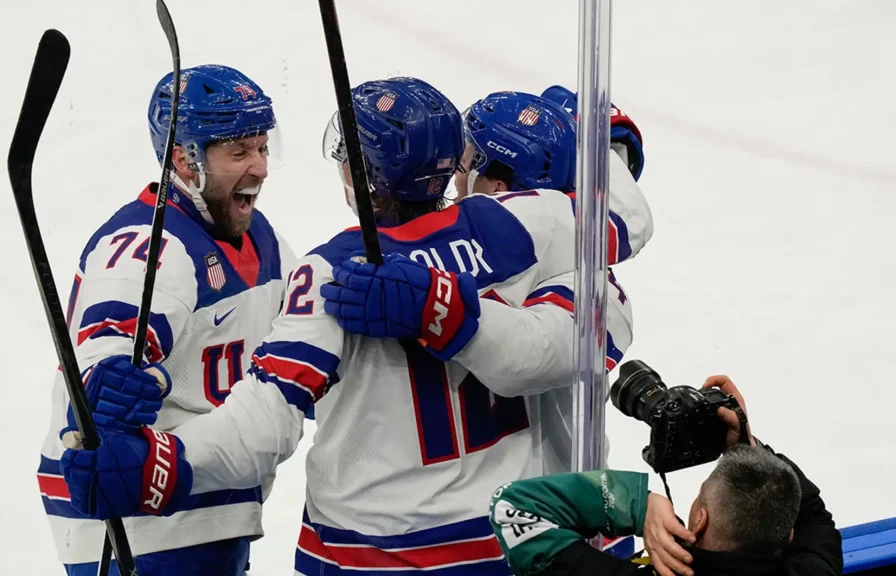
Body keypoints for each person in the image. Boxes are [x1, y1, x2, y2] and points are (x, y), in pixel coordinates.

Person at [56, 76, 654, 574]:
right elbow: (626, 218)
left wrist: (163, 465)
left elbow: (266, 421)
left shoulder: (333, 271)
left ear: (362, 178)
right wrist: (589, 135)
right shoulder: (530, 224)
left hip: (376, 554)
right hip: (512, 543)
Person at [35, 64, 295, 575]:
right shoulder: (148, 246)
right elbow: (105, 344)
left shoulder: (264, 240)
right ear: (185, 159)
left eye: (263, 147)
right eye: (239, 152)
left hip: (207, 510)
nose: (261, 167)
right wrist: (106, 381)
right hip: (138, 521)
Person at [454, 90, 650, 478]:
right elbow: (629, 215)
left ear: (496, 187)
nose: (454, 172)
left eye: (467, 160)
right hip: (557, 502)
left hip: (518, 509)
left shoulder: (455, 250)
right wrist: (594, 138)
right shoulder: (584, 267)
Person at [488, 375, 844, 576]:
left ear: (699, 520)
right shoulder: (814, 572)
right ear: (790, 534)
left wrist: (638, 506)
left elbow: (514, 508)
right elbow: (811, 509)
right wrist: (748, 447)